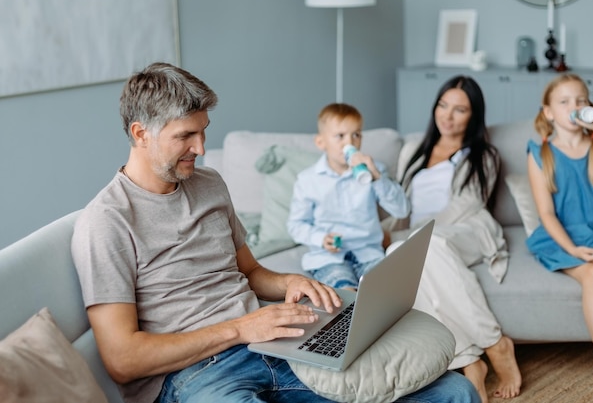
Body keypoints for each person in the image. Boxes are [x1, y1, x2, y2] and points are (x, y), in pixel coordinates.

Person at [70, 62, 480, 403]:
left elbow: (249, 271)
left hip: (274, 343)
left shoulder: (210, 183)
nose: (202, 147)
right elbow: (123, 359)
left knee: (455, 392)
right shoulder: (107, 221)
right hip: (195, 375)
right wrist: (239, 328)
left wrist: (291, 282)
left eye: (203, 130)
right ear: (141, 133)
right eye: (185, 136)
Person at [386, 75, 522, 402]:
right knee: (397, 250)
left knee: (422, 246)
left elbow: (468, 204)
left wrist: (414, 236)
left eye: (459, 109)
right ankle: (469, 361)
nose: (447, 116)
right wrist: (387, 234)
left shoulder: (483, 154)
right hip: (418, 237)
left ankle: (495, 344)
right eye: (443, 105)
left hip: (467, 231)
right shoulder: (413, 152)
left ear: (473, 116)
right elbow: (401, 207)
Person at [526, 73, 593, 403]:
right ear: (549, 112)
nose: (574, 106)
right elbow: (547, 214)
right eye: (564, 101)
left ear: (589, 107)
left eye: (580, 100)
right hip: (562, 236)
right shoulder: (540, 152)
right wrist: (574, 250)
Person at [287, 103, 410, 290]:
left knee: (385, 291)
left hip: (368, 253)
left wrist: (377, 177)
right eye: (340, 136)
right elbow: (296, 225)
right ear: (321, 142)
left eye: (356, 134)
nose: (350, 143)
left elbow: (402, 210)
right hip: (328, 258)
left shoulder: (374, 172)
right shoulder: (308, 180)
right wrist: (321, 238)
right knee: (346, 293)